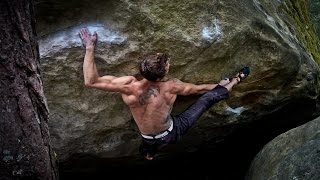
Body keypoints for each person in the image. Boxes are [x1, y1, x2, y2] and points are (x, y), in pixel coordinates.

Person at [79, 27, 250, 160]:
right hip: (171, 134)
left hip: (146, 136)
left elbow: (91, 81)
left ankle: (148, 155)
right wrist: (218, 85)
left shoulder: (129, 86)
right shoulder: (172, 86)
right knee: (208, 99)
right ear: (163, 75)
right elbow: (201, 90)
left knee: (148, 146)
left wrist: (89, 47)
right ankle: (236, 80)